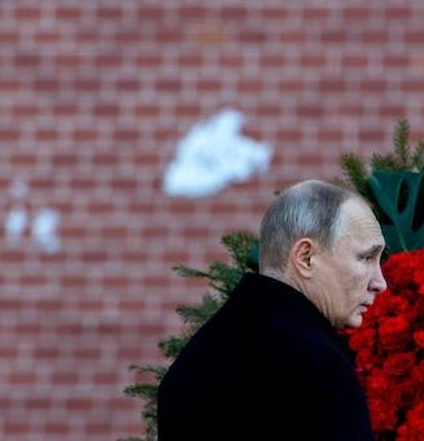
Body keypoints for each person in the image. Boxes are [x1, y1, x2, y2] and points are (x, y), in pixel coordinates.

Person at [157, 180, 388, 440]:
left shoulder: (199, 356)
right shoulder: (317, 366)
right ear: (306, 257)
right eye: (366, 258)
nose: (380, 283)